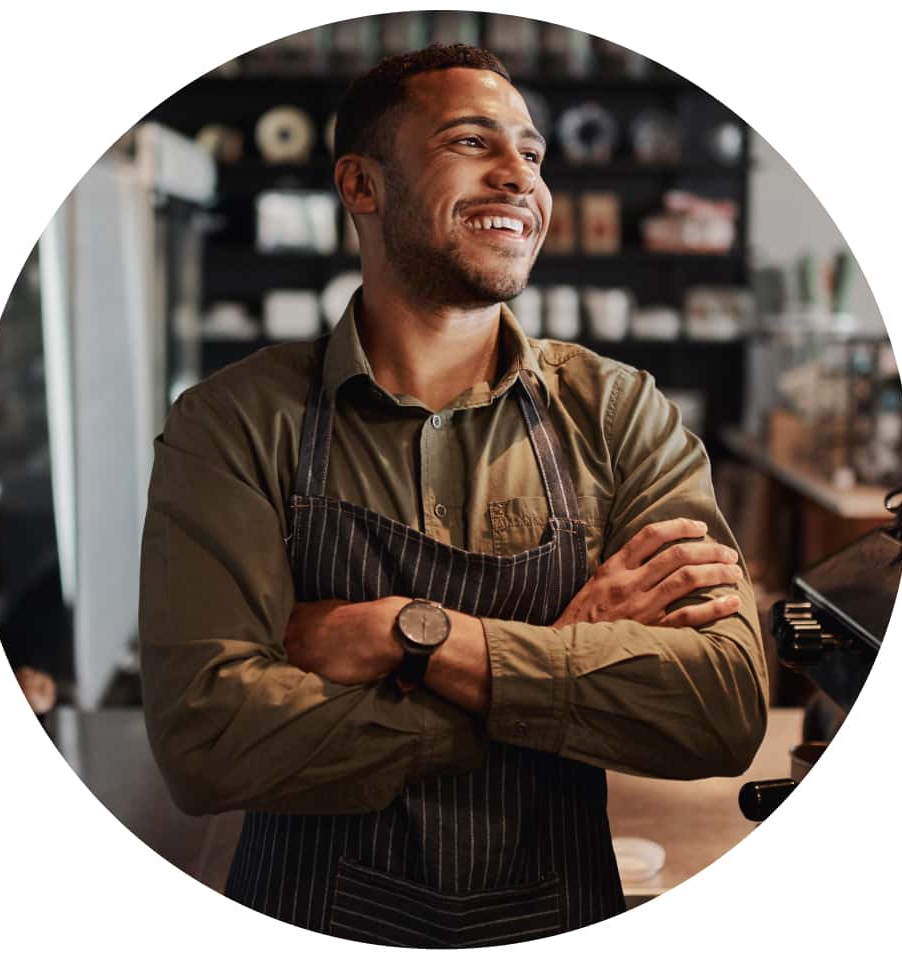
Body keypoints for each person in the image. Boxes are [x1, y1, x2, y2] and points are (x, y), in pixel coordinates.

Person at [139, 43, 767, 947]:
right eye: (474, 143)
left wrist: (403, 633)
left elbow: (721, 709)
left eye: (533, 153)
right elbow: (210, 742)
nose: (519, 176)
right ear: (362, 184)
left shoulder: (619, 412)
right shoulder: (234, 423)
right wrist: (552, 661)